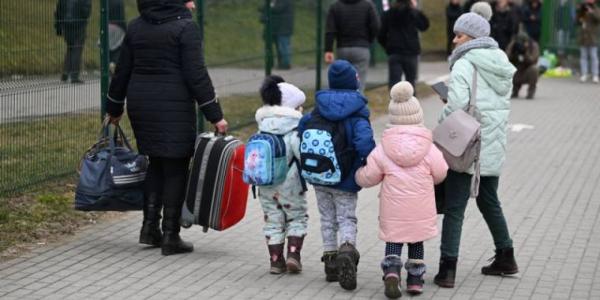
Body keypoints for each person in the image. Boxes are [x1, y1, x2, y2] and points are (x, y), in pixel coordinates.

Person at [105, 0, 228, 256]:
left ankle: (149, 228)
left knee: (155, 162)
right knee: (175, 167)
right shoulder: (185, 28)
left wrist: (114, 108)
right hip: (174, 105)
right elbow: (196, 74)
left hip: (141, 104)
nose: (192, 3)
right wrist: (215, 115)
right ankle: (171, 235)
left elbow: (122, 70)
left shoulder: (136, 27)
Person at [434, 11, 519, 288]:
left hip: (467, 144)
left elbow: (457, 104)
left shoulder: (464, 63)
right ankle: (506, 255)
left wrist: (441, 121)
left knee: (455, 207)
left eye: (459, 35)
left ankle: (447, 269)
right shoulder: (501, 63)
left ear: (472, 38)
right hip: (492, 142)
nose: (454, 39)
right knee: (488, 199)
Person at [356, 81, 448, 298]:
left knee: (394, 240)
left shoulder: (384, 147)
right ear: (418, 115)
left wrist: (357, 175)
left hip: (393, 209)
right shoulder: (429, 147)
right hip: (420, 208)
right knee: (416, 242)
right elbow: (441, 171)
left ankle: (391, 272)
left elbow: (369, 176)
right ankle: (415, 280)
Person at [298, 60, 375, 290]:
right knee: (346, 218)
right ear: (354, 82)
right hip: (346, 178)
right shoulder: (358, 112)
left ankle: (331, 264)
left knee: (327, 219)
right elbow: (365, 145)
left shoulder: (318, 109)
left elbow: (302, 129)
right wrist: (367, 162)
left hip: (320, 176)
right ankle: (348, 250)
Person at [254, 76, 308, 274]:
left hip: (266, 183)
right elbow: (301, 156)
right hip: (291, 183)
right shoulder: (293, 130)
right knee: (297, 217)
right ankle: (293, 254)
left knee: (273, 219)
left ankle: (276, 260)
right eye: (299, 106)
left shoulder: (262, 127)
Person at [324, 0, 380, 92]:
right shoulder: (368, 5)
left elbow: (330, 30)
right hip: (362, 48)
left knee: (342, 82)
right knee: (359, 84)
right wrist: (368, 40)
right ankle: (357, 103)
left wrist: (328, 50)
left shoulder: (335, 6)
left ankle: (342, 103)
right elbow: (376, 27)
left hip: (342, 48)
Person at [378, 0, 430, 90]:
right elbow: (424, 26)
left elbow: (381, 34)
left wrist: (388, 47)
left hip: (394, 51)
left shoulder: (388, 14)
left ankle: (394, 103)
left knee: (394, 82)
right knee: (411, 82)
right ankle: (412, 103)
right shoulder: (413, 13)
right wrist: (417, 9)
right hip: (411, 51)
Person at [54, 0, 92, 84]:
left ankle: (65, 73)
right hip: (79, 24)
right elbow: (86, 11)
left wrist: (58, 27)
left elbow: (58, 11)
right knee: (77, 49)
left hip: (66, 24)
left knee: (70, 48)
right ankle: (74, 76)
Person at [506, 32, 540, 99]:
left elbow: (533, 61)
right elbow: (505, 59)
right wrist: (513, 51)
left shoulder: (533, 45)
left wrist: (525, 52)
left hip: (526, 71)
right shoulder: (513, 44)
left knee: (534, 69)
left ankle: (531, 91)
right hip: (516, 70)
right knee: (506, 69)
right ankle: (514, 90)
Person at [577, 0, 600, 83]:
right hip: (583, 37)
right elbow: (577, 20)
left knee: (593, 57)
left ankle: (595, 75)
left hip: (592, 37)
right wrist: (580, 12)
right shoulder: (582, 9)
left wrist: (591, 12)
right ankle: (584, 74)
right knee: (583, 56)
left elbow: (598, 18)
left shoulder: (596, 9)